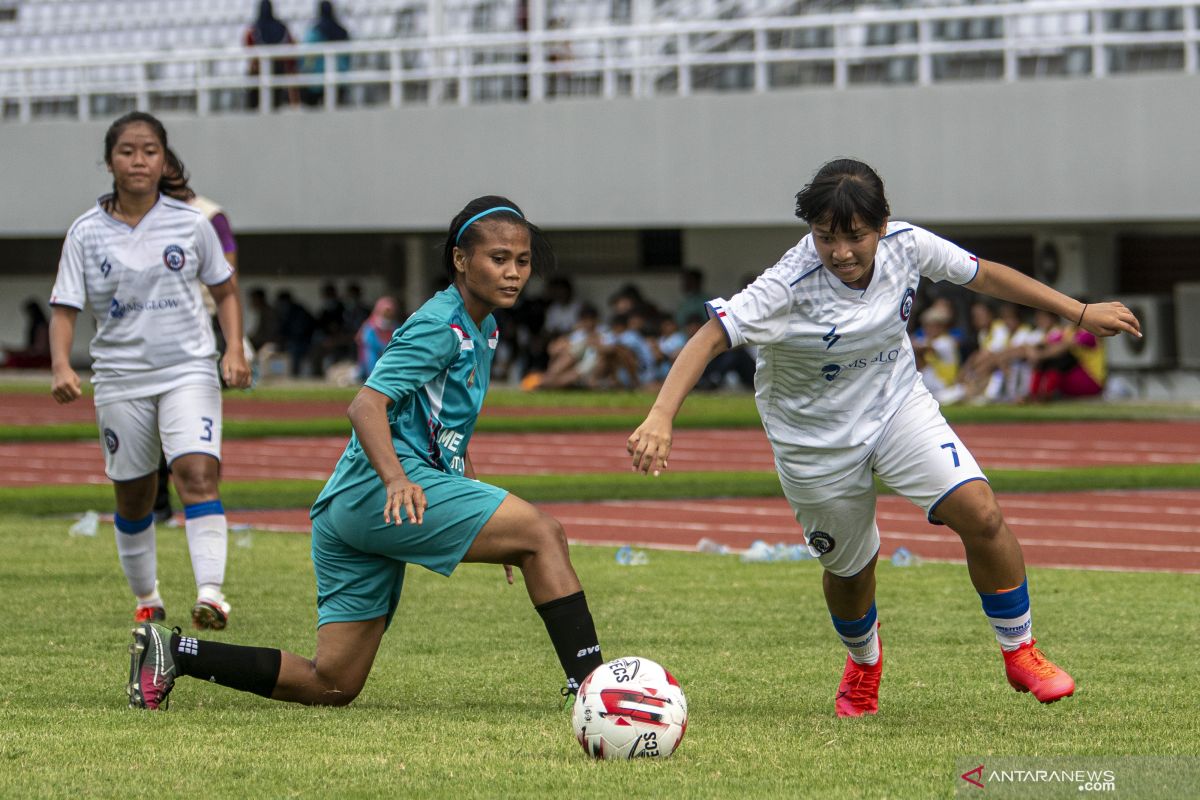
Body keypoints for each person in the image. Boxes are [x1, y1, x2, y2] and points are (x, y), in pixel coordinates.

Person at [627, 159, 1141, 718]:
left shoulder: (907, 243)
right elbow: (709, 338)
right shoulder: (786, 284)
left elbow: (984, 274)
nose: (841, 252)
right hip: (813, 443)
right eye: (826, 237)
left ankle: (1022, 652)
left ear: (882, 224)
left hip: (898, 408)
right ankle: (864, 663)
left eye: (855, 237)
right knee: (851, 571)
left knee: (982, 512)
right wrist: (660, 416)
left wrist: (1079, 311)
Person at [127, 196, 605, 712]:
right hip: (381, 492)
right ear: (461, 261)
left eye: (522, 260)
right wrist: (399, 480)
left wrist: (479, 498)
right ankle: (599, 692)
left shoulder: (482, 325)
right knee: (544, 533)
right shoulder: (440, 325)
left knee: (331, 682)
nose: (513, 272)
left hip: (347, 508)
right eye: (498, 258)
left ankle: (173, 652)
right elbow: (365, 405)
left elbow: (444, 423)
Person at [48, 112, 252, 630]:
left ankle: (211, 594)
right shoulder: (85, 233)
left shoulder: (191, 223)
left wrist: (234, 350)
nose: (139, 161)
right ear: (110, 161)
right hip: (120, 378)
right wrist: (59, 366)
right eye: (127, 152)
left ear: (164, 161)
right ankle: (147, 595)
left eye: (149, 151)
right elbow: (65, 308)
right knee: (134, 495)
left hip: (188, 370)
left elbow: (226, 292)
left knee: (197, 475)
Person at [244, 0, 299, 110]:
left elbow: (249, 48)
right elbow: (291, 46)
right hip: (279, 68)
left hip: (259, 70)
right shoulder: (282, 28)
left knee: (254, 101)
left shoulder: (254, 29)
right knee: (275, 101)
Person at [300, 1, 351, 108]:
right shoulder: (342, 32)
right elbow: (347, 57)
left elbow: (307, 55)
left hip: (317, 80)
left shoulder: (315, 32)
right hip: (339, 77)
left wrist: (305, 71)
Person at [355, 295, 399, 381]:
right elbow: (368, 345)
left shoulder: (395, 327)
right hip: (370, 364)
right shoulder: (370, 327)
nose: (388, 314)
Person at [1, 299, 51, 368]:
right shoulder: (40, 325)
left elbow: (39, 350)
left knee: (12, 361)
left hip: (41, 358)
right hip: (37, 356)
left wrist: (17, 352)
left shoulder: (42, 327)